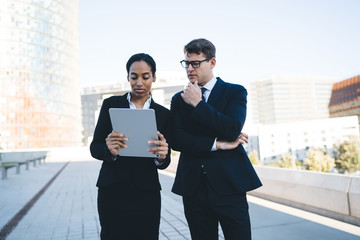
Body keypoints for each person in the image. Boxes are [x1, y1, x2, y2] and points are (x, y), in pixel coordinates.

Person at [170, 38, 262, 240]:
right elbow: (177, 140)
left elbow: (232, 129)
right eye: (187, 63)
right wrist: (216, 144)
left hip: (229, 184)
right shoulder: (178, 99)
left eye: (196, 63)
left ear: (212, 62)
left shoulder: (235, 91)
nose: (190, 69)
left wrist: (198, 104)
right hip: (193, 187)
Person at [90, 53, 171, 240]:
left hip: (146, 193)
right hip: (112, 190)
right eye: (134, 77)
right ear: (128, 77)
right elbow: (95, 147)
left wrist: (161, 157)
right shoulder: (111, 104)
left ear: (154, 77)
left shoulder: (164, 114)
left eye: (145, 77)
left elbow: (165, 160)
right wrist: (108, 149)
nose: (139, 83)